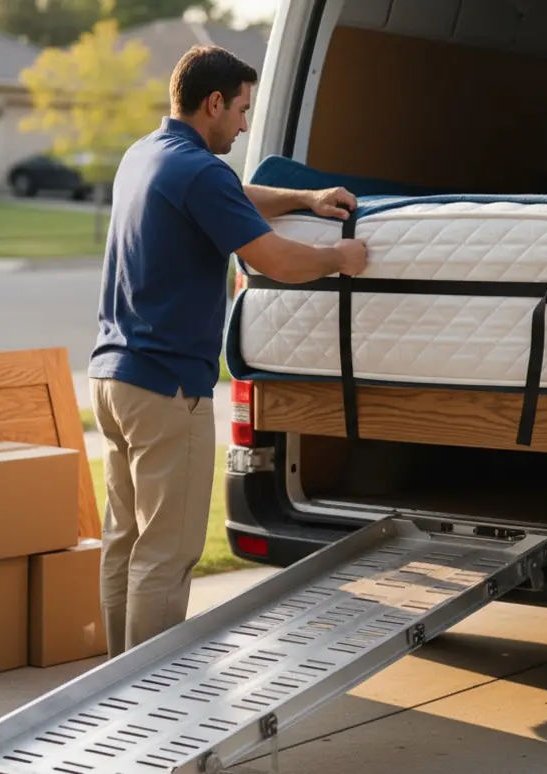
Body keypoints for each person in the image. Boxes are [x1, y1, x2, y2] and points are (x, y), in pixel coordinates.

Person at [88, 44, 368, 659]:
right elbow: (272, 257)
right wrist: (336, 260)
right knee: (166, 552)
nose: (244, 123)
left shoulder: (146, 156)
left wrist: (302, 198)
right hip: (167, 389)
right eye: (241, 109)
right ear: (213, 103)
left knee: (126, 541)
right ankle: (142, 700)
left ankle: (108, 680)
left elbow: (231, 195)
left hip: (112, 379)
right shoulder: (198, 171)